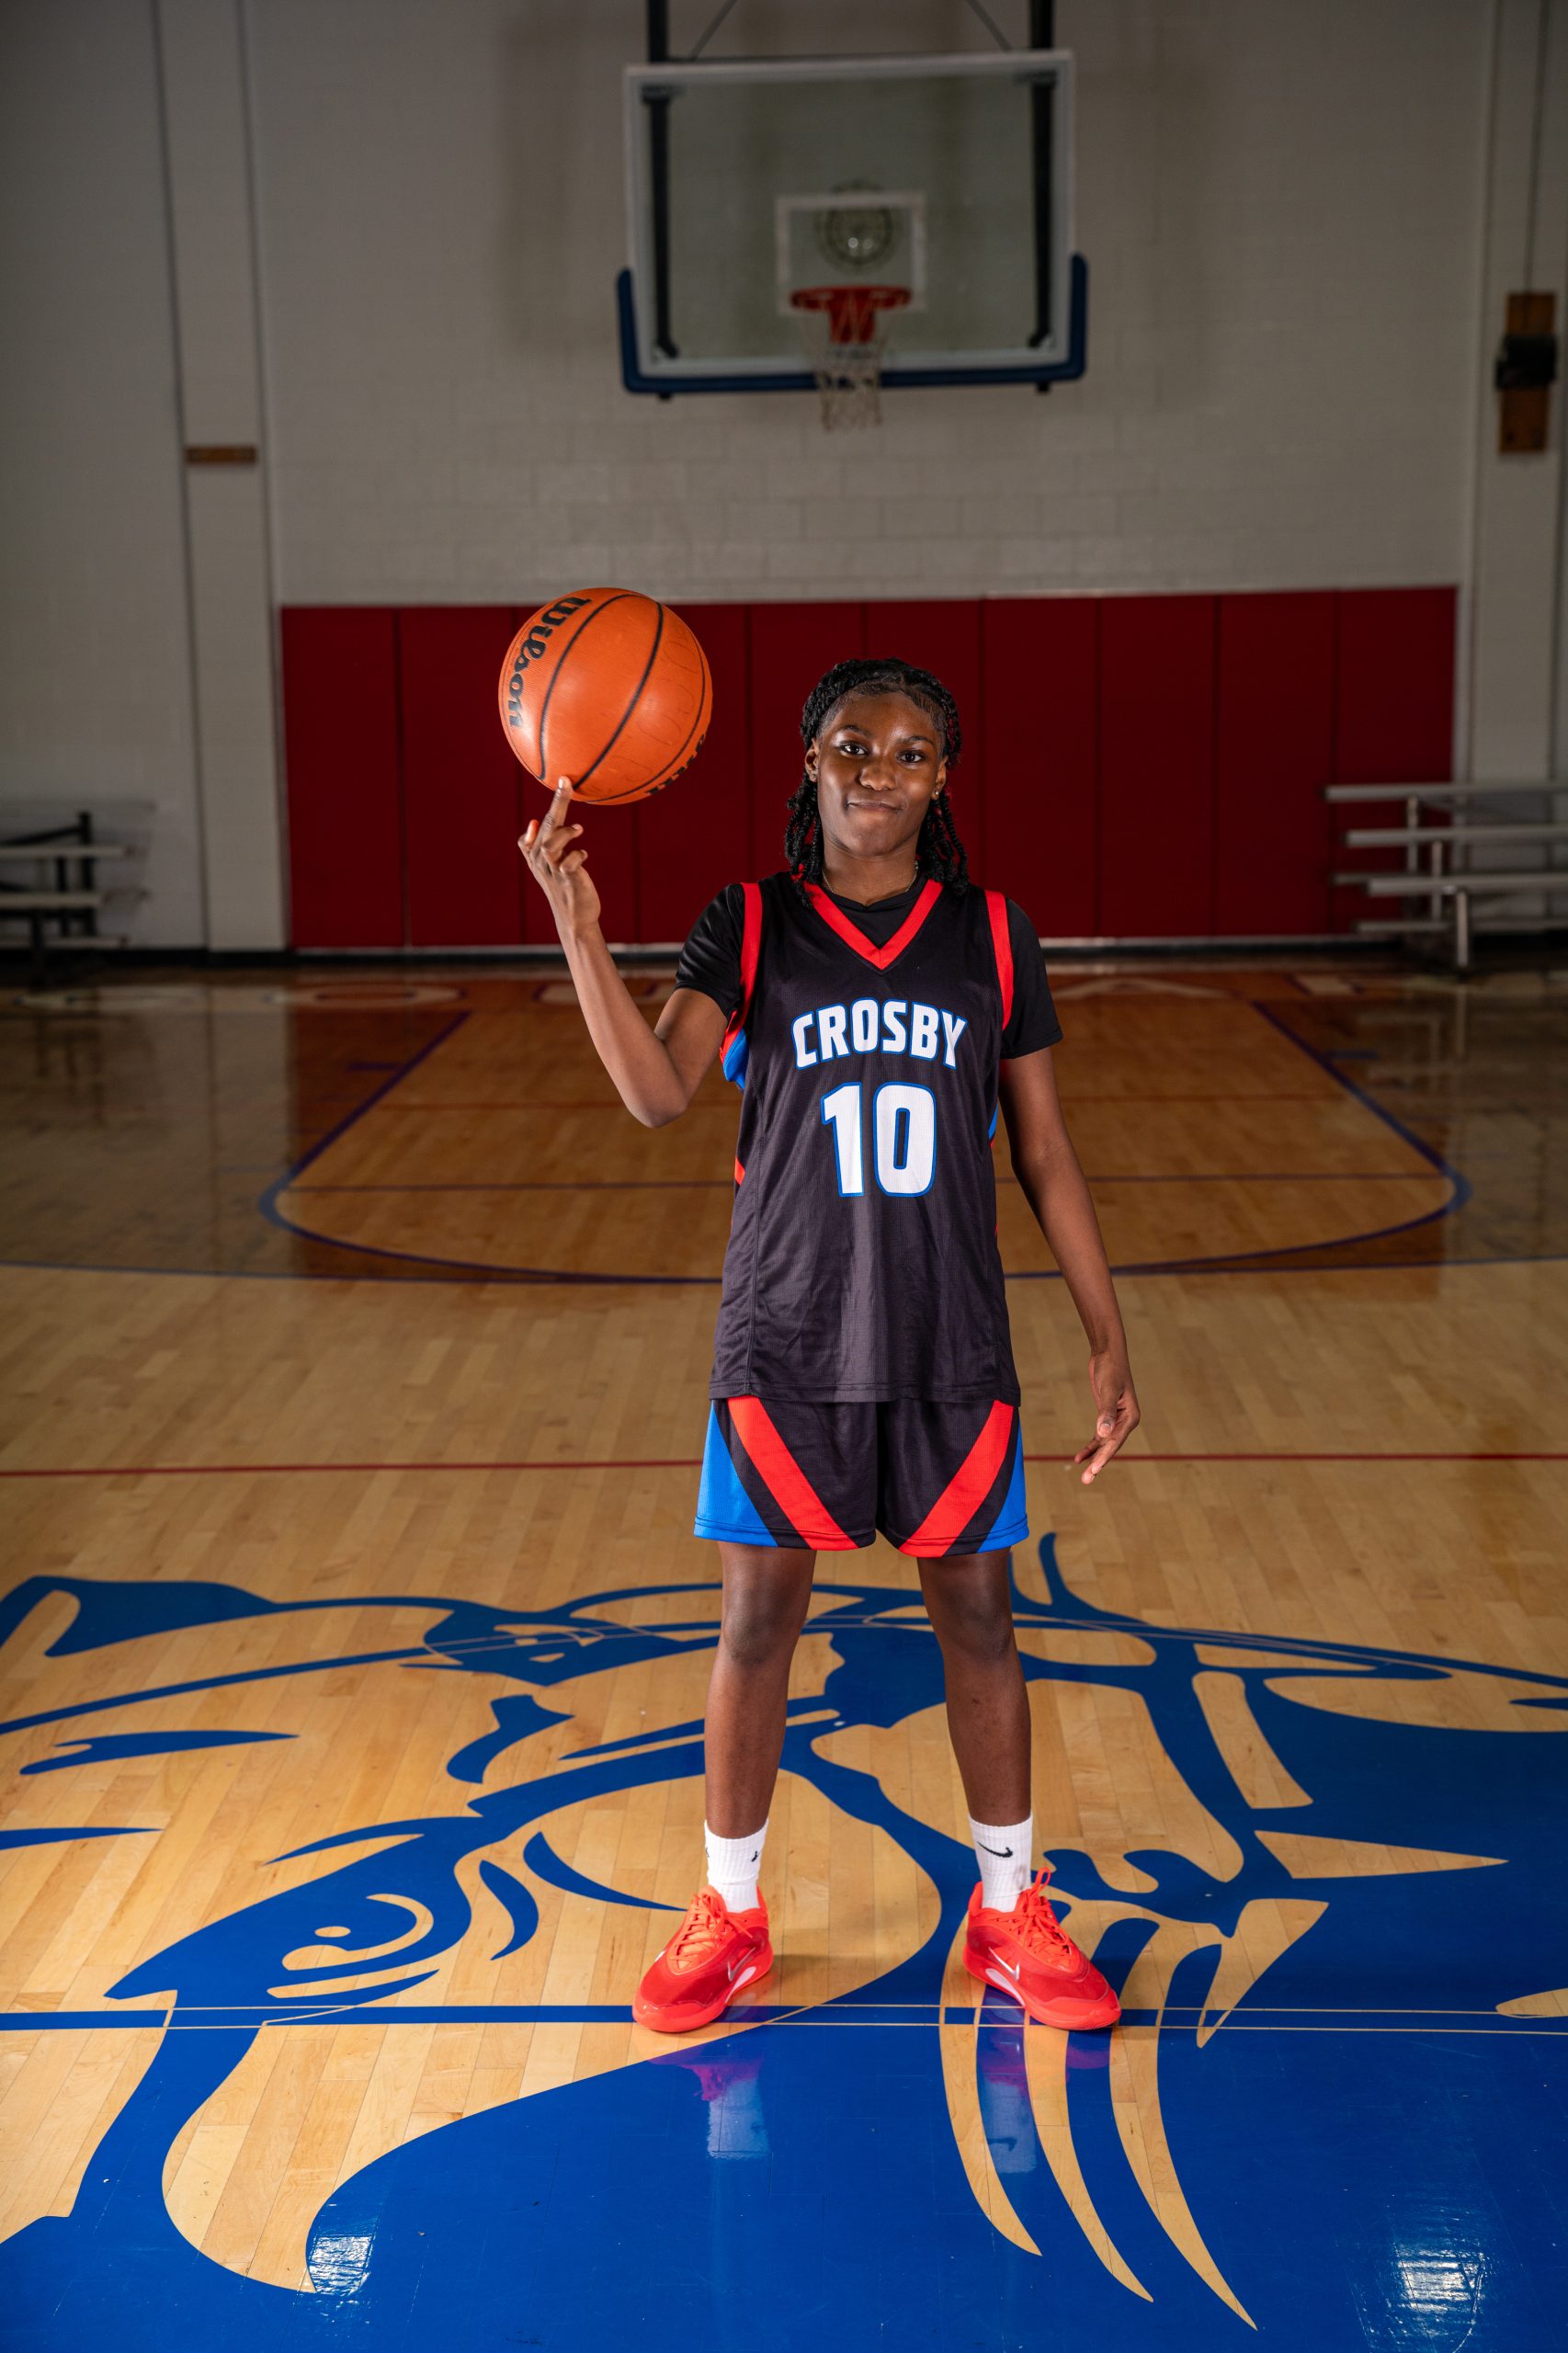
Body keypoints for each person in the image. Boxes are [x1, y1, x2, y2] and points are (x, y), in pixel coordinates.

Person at [520, 655, 1139, 2037]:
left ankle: (1008, 1911)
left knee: (980, 1619)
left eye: (910, 751)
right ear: (809, 762)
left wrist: (1106, 1334)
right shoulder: (748, 923)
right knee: (756, 1624)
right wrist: (577, 924)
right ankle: (728, 1915)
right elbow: (655, 1093)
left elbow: (1043, 1150)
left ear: (942, 778)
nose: (878, 770)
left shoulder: (991, 935)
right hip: (788, 1333)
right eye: (852, 744)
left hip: (948, 1332)